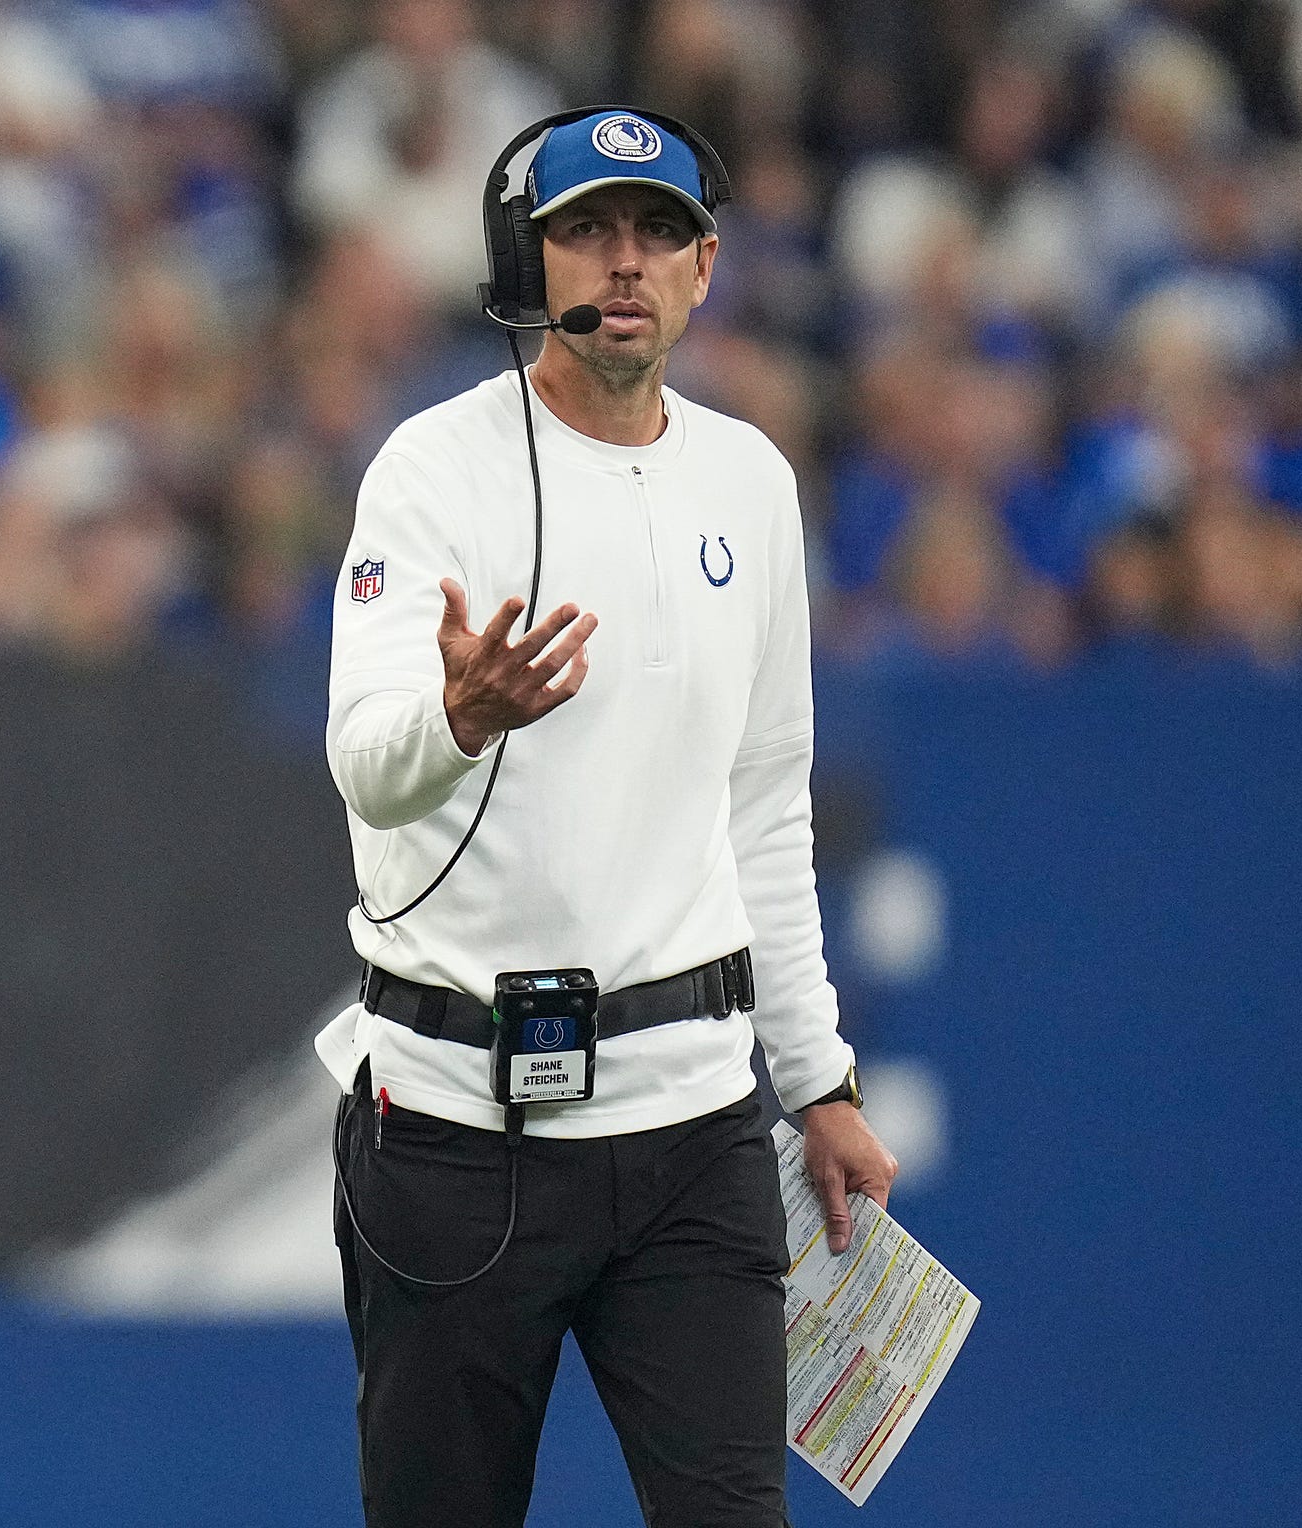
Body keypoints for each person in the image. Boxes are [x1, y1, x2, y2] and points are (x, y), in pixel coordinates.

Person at [315, 106, 896, 1528]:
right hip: (458, 1122)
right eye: (588, 229)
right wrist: (460, 720)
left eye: (659, 234)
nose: (625, 263)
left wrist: (817, 1079)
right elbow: (364, 764)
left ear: (707, 271)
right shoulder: (432, 469)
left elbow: (765, 801)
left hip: (692, 1121)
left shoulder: (752, 483)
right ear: (531, 257)